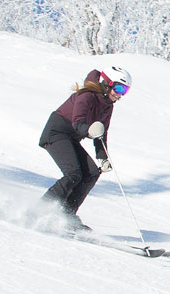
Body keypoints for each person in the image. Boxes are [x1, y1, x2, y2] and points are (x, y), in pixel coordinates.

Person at [39, 65, 131, 230]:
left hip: (72, 137)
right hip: (57, 132)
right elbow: (77, 122)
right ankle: (39, 211)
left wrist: (102, 157)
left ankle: (66, 215)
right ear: (107, 83)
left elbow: (102, 134)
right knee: (73, 173)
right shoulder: (87, 96)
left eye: (125, 91)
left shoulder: (107, 105)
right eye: (118, 88)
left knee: (92, 173)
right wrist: (88, 130)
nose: (120, 94)